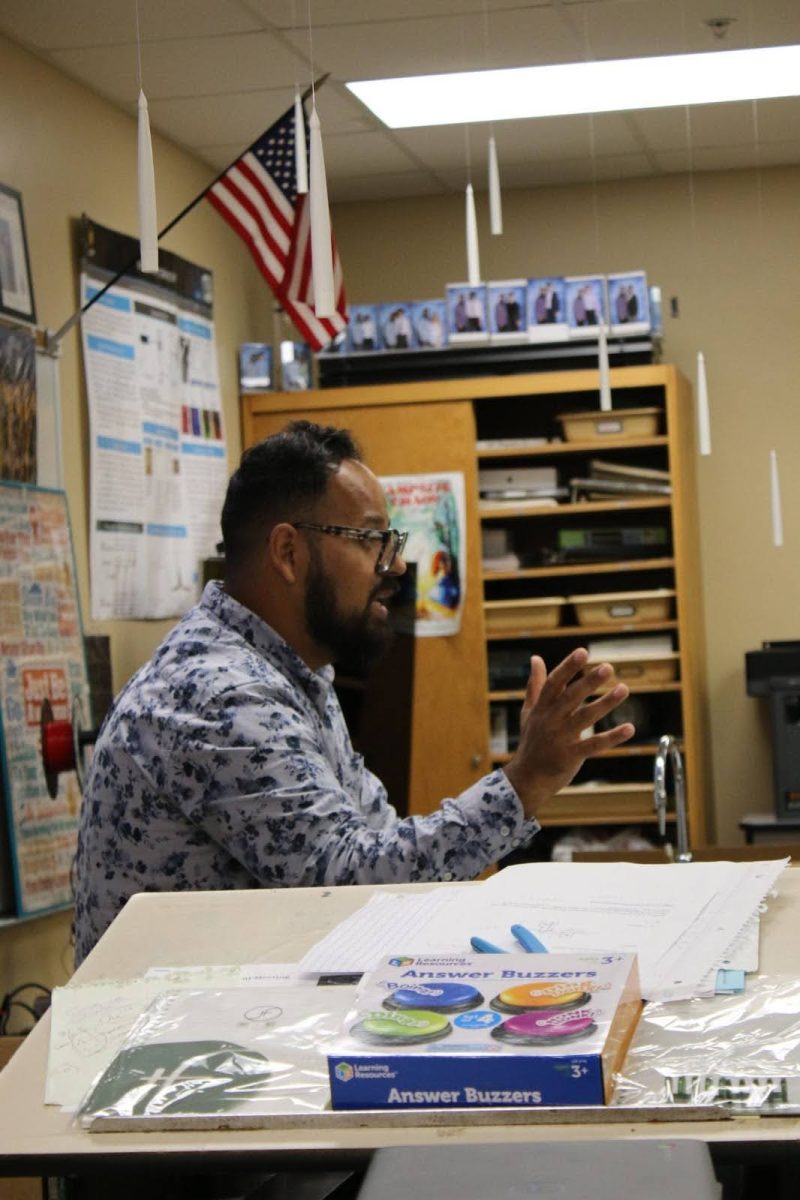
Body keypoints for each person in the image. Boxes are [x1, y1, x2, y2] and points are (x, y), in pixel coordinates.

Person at [73, 421, 634, 964]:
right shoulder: (221, 696)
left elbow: (378, 842)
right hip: (171, 1047)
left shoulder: (291, 673)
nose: (396, 564)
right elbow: (353, 889)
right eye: (371, 539)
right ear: (288, 553)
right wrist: (524, 781)